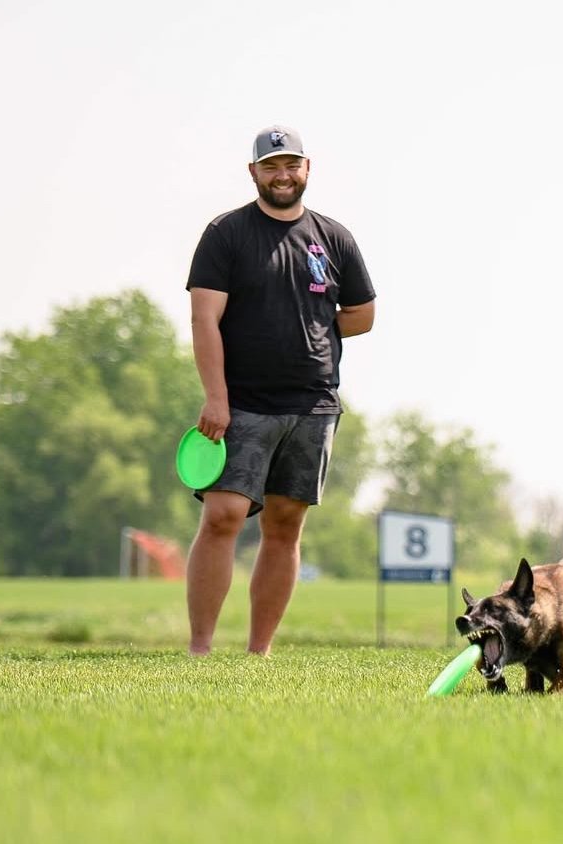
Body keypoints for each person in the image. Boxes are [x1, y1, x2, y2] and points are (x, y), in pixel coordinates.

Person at [184, 125, 376, 656]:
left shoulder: (333, 237)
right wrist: (216, 397)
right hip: (241, 403)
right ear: (254, 173)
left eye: (291, 165)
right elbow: (204, 319)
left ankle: (258, 651)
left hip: (313, 404)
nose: (282, 175)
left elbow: (362, 314)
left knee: (286, 525)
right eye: (271, 167)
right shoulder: (226, 233)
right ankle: (200, 648)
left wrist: (311, 329)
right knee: (222, 517)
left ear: (307, 169)